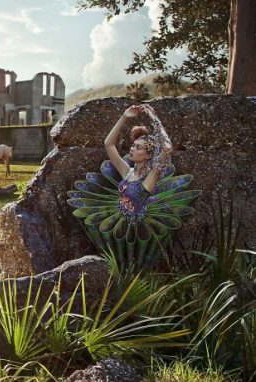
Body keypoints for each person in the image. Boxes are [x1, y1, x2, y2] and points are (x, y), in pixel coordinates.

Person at [67, 104, 200, 271]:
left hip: (136, 223)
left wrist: (153, 117)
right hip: (118, 215)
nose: (132, 148)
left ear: (148, 155)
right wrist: (124, 116)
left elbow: (167, 148)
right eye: (133, 145)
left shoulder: (150, 177)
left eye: (138, 147)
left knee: (134, 261)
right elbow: (108, 144)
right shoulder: (127, 172)